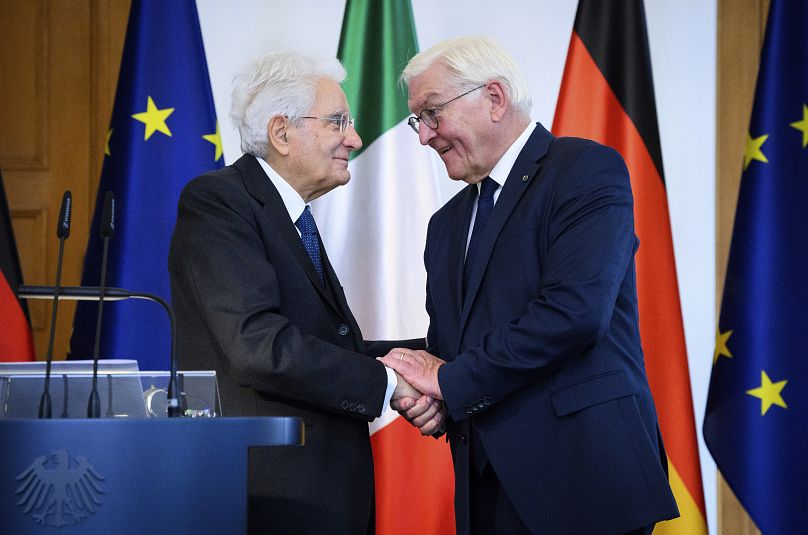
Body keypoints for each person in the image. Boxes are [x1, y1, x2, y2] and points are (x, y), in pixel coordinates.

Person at [380, 36, 679, 535]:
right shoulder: (446, 223)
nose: (424, 136)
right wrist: (422, 387)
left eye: (431, 114)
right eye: (418, 120)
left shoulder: (584, 170)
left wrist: (448, 383)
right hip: (487, 489)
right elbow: (454, 349)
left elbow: (573, 313)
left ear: (493, 98)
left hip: (584, 482)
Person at [169, 51, 430, 535]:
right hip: (268, 493)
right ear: (281, 132)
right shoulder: (219, 201)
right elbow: (258, 346)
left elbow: (328, 345)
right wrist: (391, 384)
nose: (354, 139)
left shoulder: (292, 215)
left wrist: (434, 359)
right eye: (338, 122)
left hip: (319, 491)